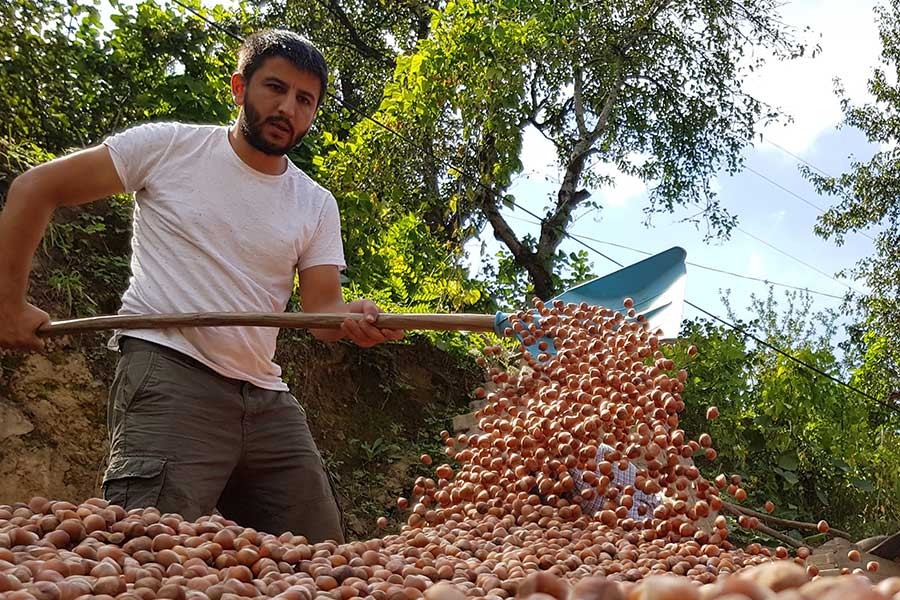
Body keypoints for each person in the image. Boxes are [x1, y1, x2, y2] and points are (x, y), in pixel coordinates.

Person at [0, 29, 404, 543]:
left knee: (320, 554)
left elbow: (322, 313)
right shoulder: (169, 148)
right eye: (274, 89)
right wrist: (6, 305)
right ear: (239, 87)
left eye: (305, 100)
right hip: (169, 368)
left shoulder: (315, 203)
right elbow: (35, 188)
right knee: (146, 548)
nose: (287, 108)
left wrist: (354, 319)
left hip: (265, 394)